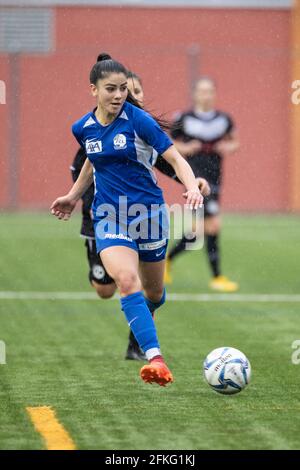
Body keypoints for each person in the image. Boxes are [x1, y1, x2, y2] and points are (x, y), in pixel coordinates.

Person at [51, 53, 203, 387]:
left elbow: (175, 159)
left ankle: (145, 322)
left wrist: (191, 188)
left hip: (148, 216)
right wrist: (73, 195)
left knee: (154, 292)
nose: (118, 95)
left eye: (122, 89)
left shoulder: (138, 121)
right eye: (111, 89)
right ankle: (155, 359)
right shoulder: (83, 127)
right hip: (108, 216)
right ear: (93, 89)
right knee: (126, 281)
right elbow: (93, 160)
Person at [165, 77, 240, 292]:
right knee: (212, 226)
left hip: (215, 178)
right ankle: (217, 277)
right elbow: (170, 145)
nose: (205, 95)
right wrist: (187, 148)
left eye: (209, 91)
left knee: (199, 230)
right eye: (201, 91)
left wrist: (229, 147)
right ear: (195, 94)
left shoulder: (224, 119)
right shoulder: (184, 118)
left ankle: (167, 261)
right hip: (194, 179)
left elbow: (235, 142)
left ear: (214, 94)